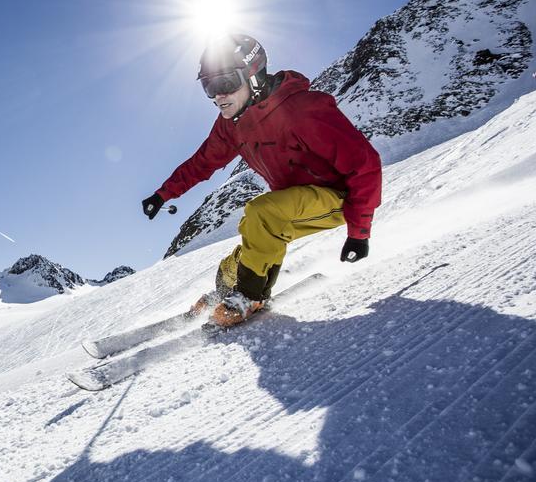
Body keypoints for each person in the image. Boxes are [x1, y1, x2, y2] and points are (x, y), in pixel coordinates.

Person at [142, 34, 382, 328]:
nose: (217, 96)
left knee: (263, 212)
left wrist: (359, 232)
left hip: (337, 197)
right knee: (235, 262)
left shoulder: (303, 110)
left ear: (253, 76)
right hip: (291, 202)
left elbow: (365, 164)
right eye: (208, 86)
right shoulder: (232, 125)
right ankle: (226, 292)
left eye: (225, 83)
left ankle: (250, 296)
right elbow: (203, 162)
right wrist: (163, 195)